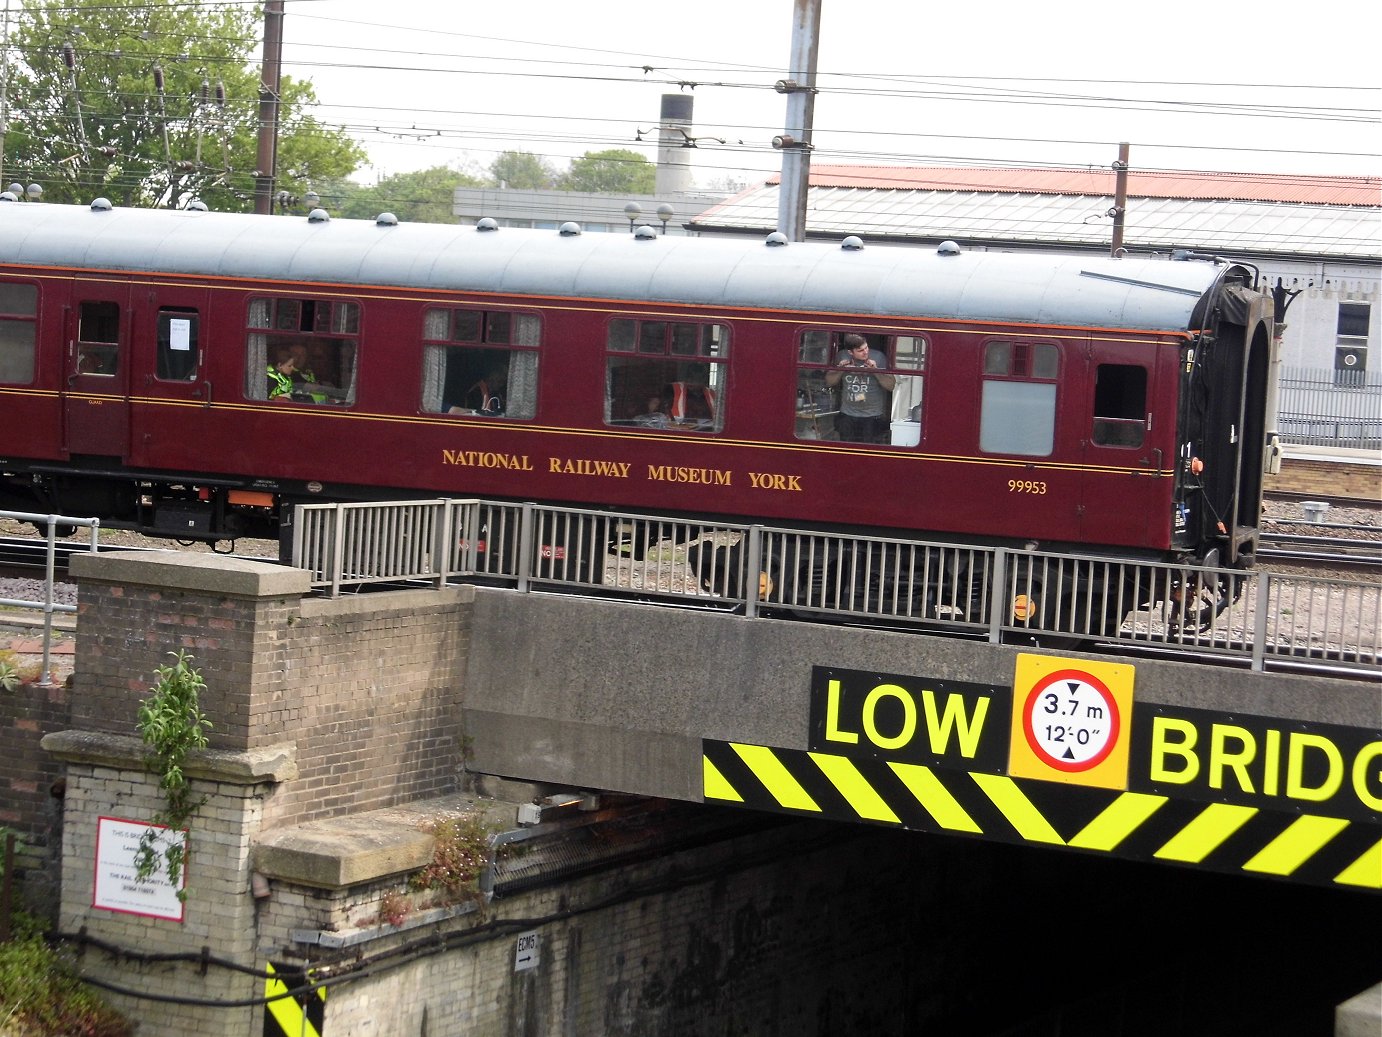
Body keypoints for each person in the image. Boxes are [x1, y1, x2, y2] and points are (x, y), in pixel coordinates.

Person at [825, 333, 895, 442]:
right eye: (860, 350)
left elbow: (890, 386)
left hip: (872, 416)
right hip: (847, 414)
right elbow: (829, 382)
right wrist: (841, 369)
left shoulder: (879, 357)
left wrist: (875, 370)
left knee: (868, 452)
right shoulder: (842, 356)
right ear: (850, 352)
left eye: (866, 348)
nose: (865, 352)